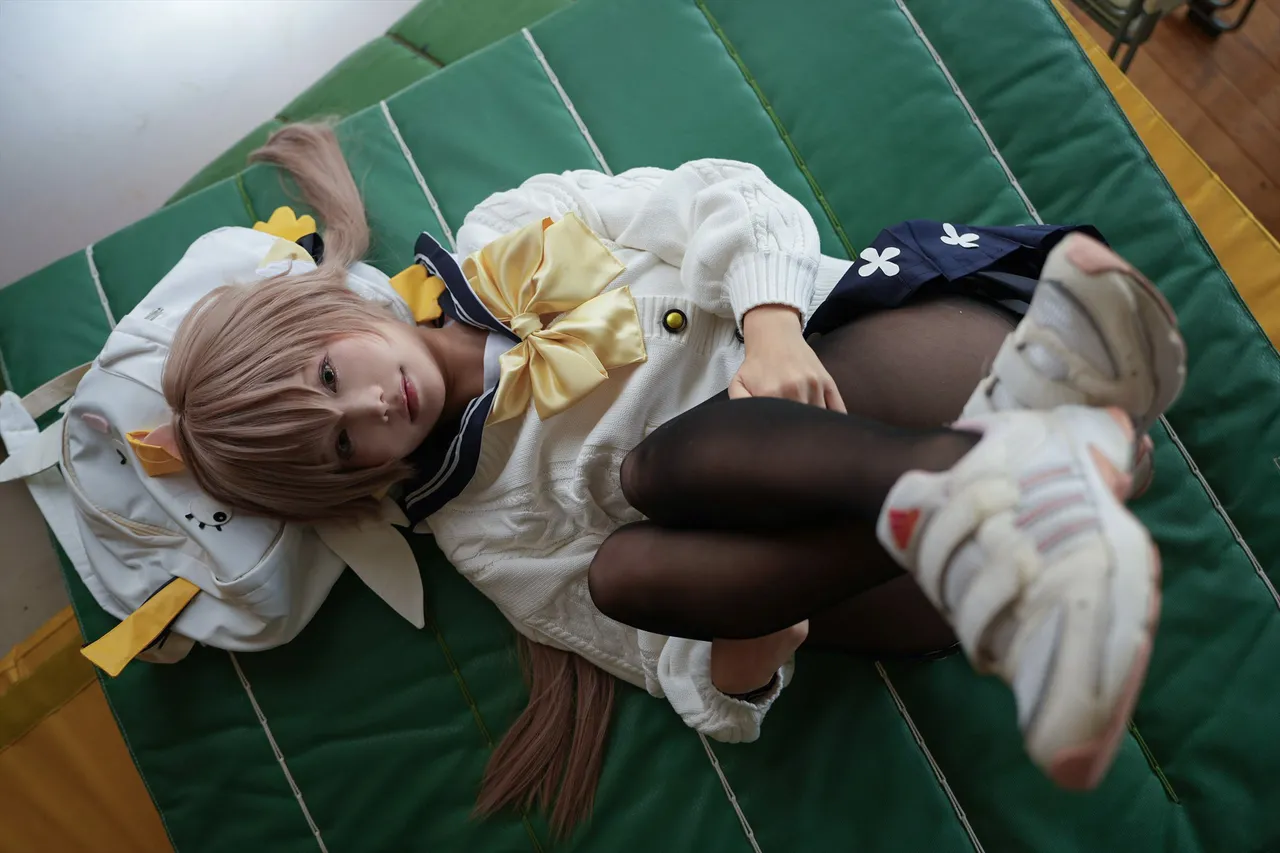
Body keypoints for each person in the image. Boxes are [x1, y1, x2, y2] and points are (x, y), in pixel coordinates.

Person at [163, 124, 1184, 833]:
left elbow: (722, 196)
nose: (368, 408)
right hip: (877, 575)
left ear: (322, 314)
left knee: (668, 460)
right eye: (342, 446)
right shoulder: (483, 533)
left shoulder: (508, 229)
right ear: (350, 484)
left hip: (891, 368)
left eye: (328, 376)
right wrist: (753, 636)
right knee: (628, 562)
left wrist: (771, 333)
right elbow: (691, 682)